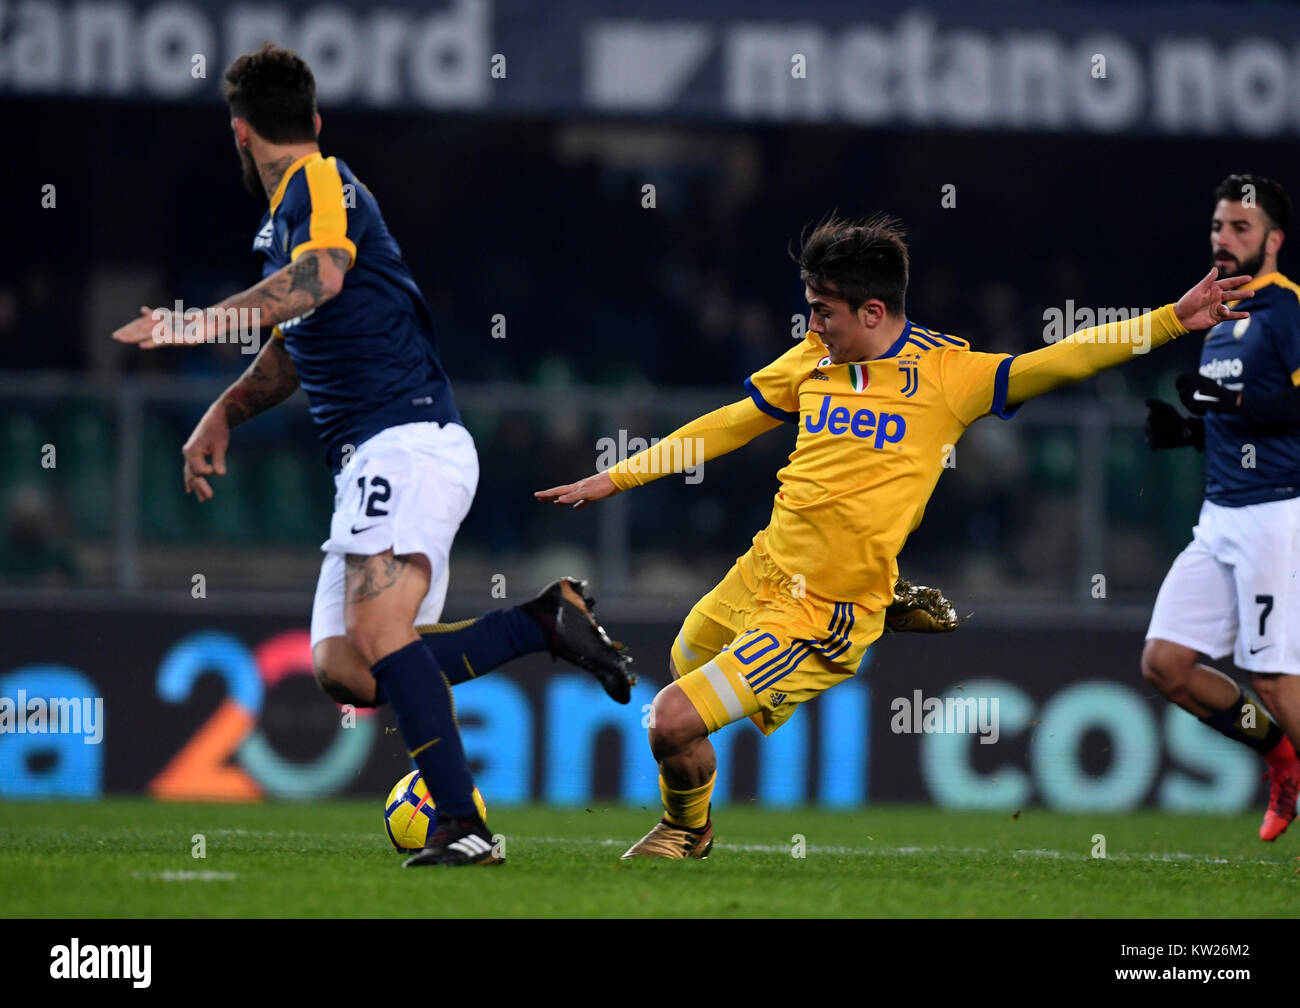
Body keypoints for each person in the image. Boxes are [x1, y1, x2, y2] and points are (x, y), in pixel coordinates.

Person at [538, 213, 1250, 859]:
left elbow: (1065, 357)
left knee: (671, 720)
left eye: (823, 313)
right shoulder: (811, 360)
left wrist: (1169, 322)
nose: (811, 326)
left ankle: (686, 829)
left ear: (872, 310)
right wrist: (619, 477)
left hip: (817, 611)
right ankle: (699, 815)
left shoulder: (946, 375)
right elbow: (729, 423)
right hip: (761, 569)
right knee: (687, 656)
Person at [112, 43, 633, 867]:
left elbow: (318, 282)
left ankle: (464, 825)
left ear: (240, 133)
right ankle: (542, 623)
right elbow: (297, 343)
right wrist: (222, 411)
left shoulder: (318, 184)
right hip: (374, 455)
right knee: (347, 668)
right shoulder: (291, 215)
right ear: (310, 117)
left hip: (406, 438)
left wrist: (191, 323)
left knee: (374, 625)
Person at [1143, 174, 1300, 841]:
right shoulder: (1221, 316)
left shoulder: (1286, 309)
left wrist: (1225, 404)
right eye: (1217, 226)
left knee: (1272, 678)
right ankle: (1282, 762)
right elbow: (1245, 421)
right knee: (1166, 664)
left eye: (1240, 227)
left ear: (1274, 239)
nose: (1224, 238)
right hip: (1221, 515)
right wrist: (1192, 431)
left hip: (1274, 515)